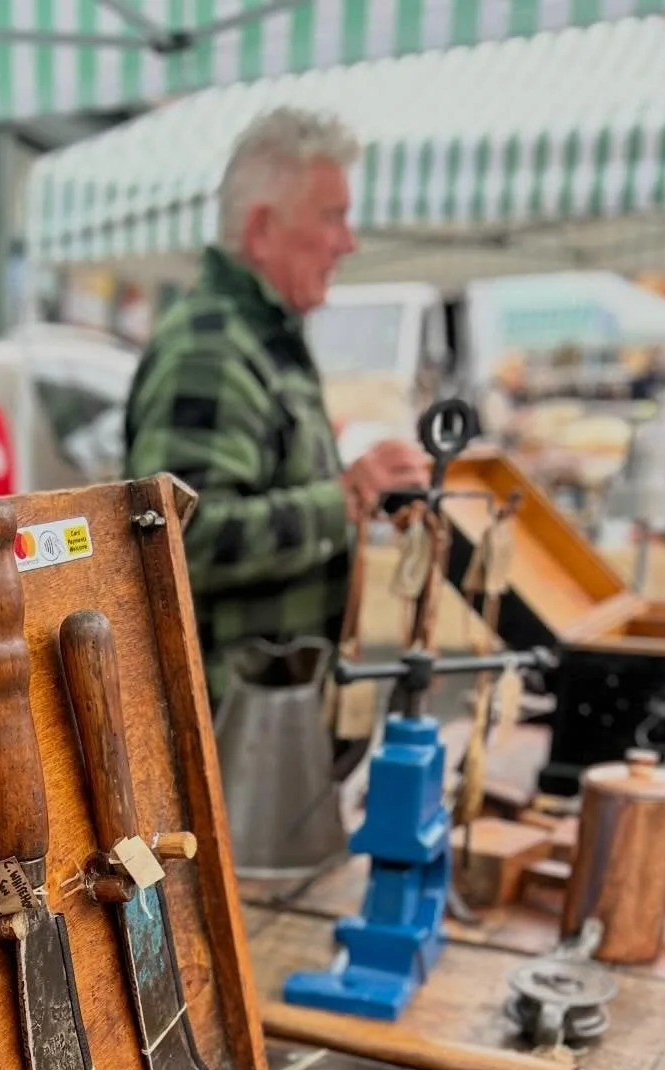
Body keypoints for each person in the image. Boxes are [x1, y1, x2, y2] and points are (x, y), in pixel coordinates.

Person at [124, 107, 430, 702]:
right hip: (224, 727)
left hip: (262, 714)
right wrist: (344, 499)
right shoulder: (210, 347)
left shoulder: (260, 338)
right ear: (262, 229)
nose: (350, 241)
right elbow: (176, 538)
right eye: (334, 217)